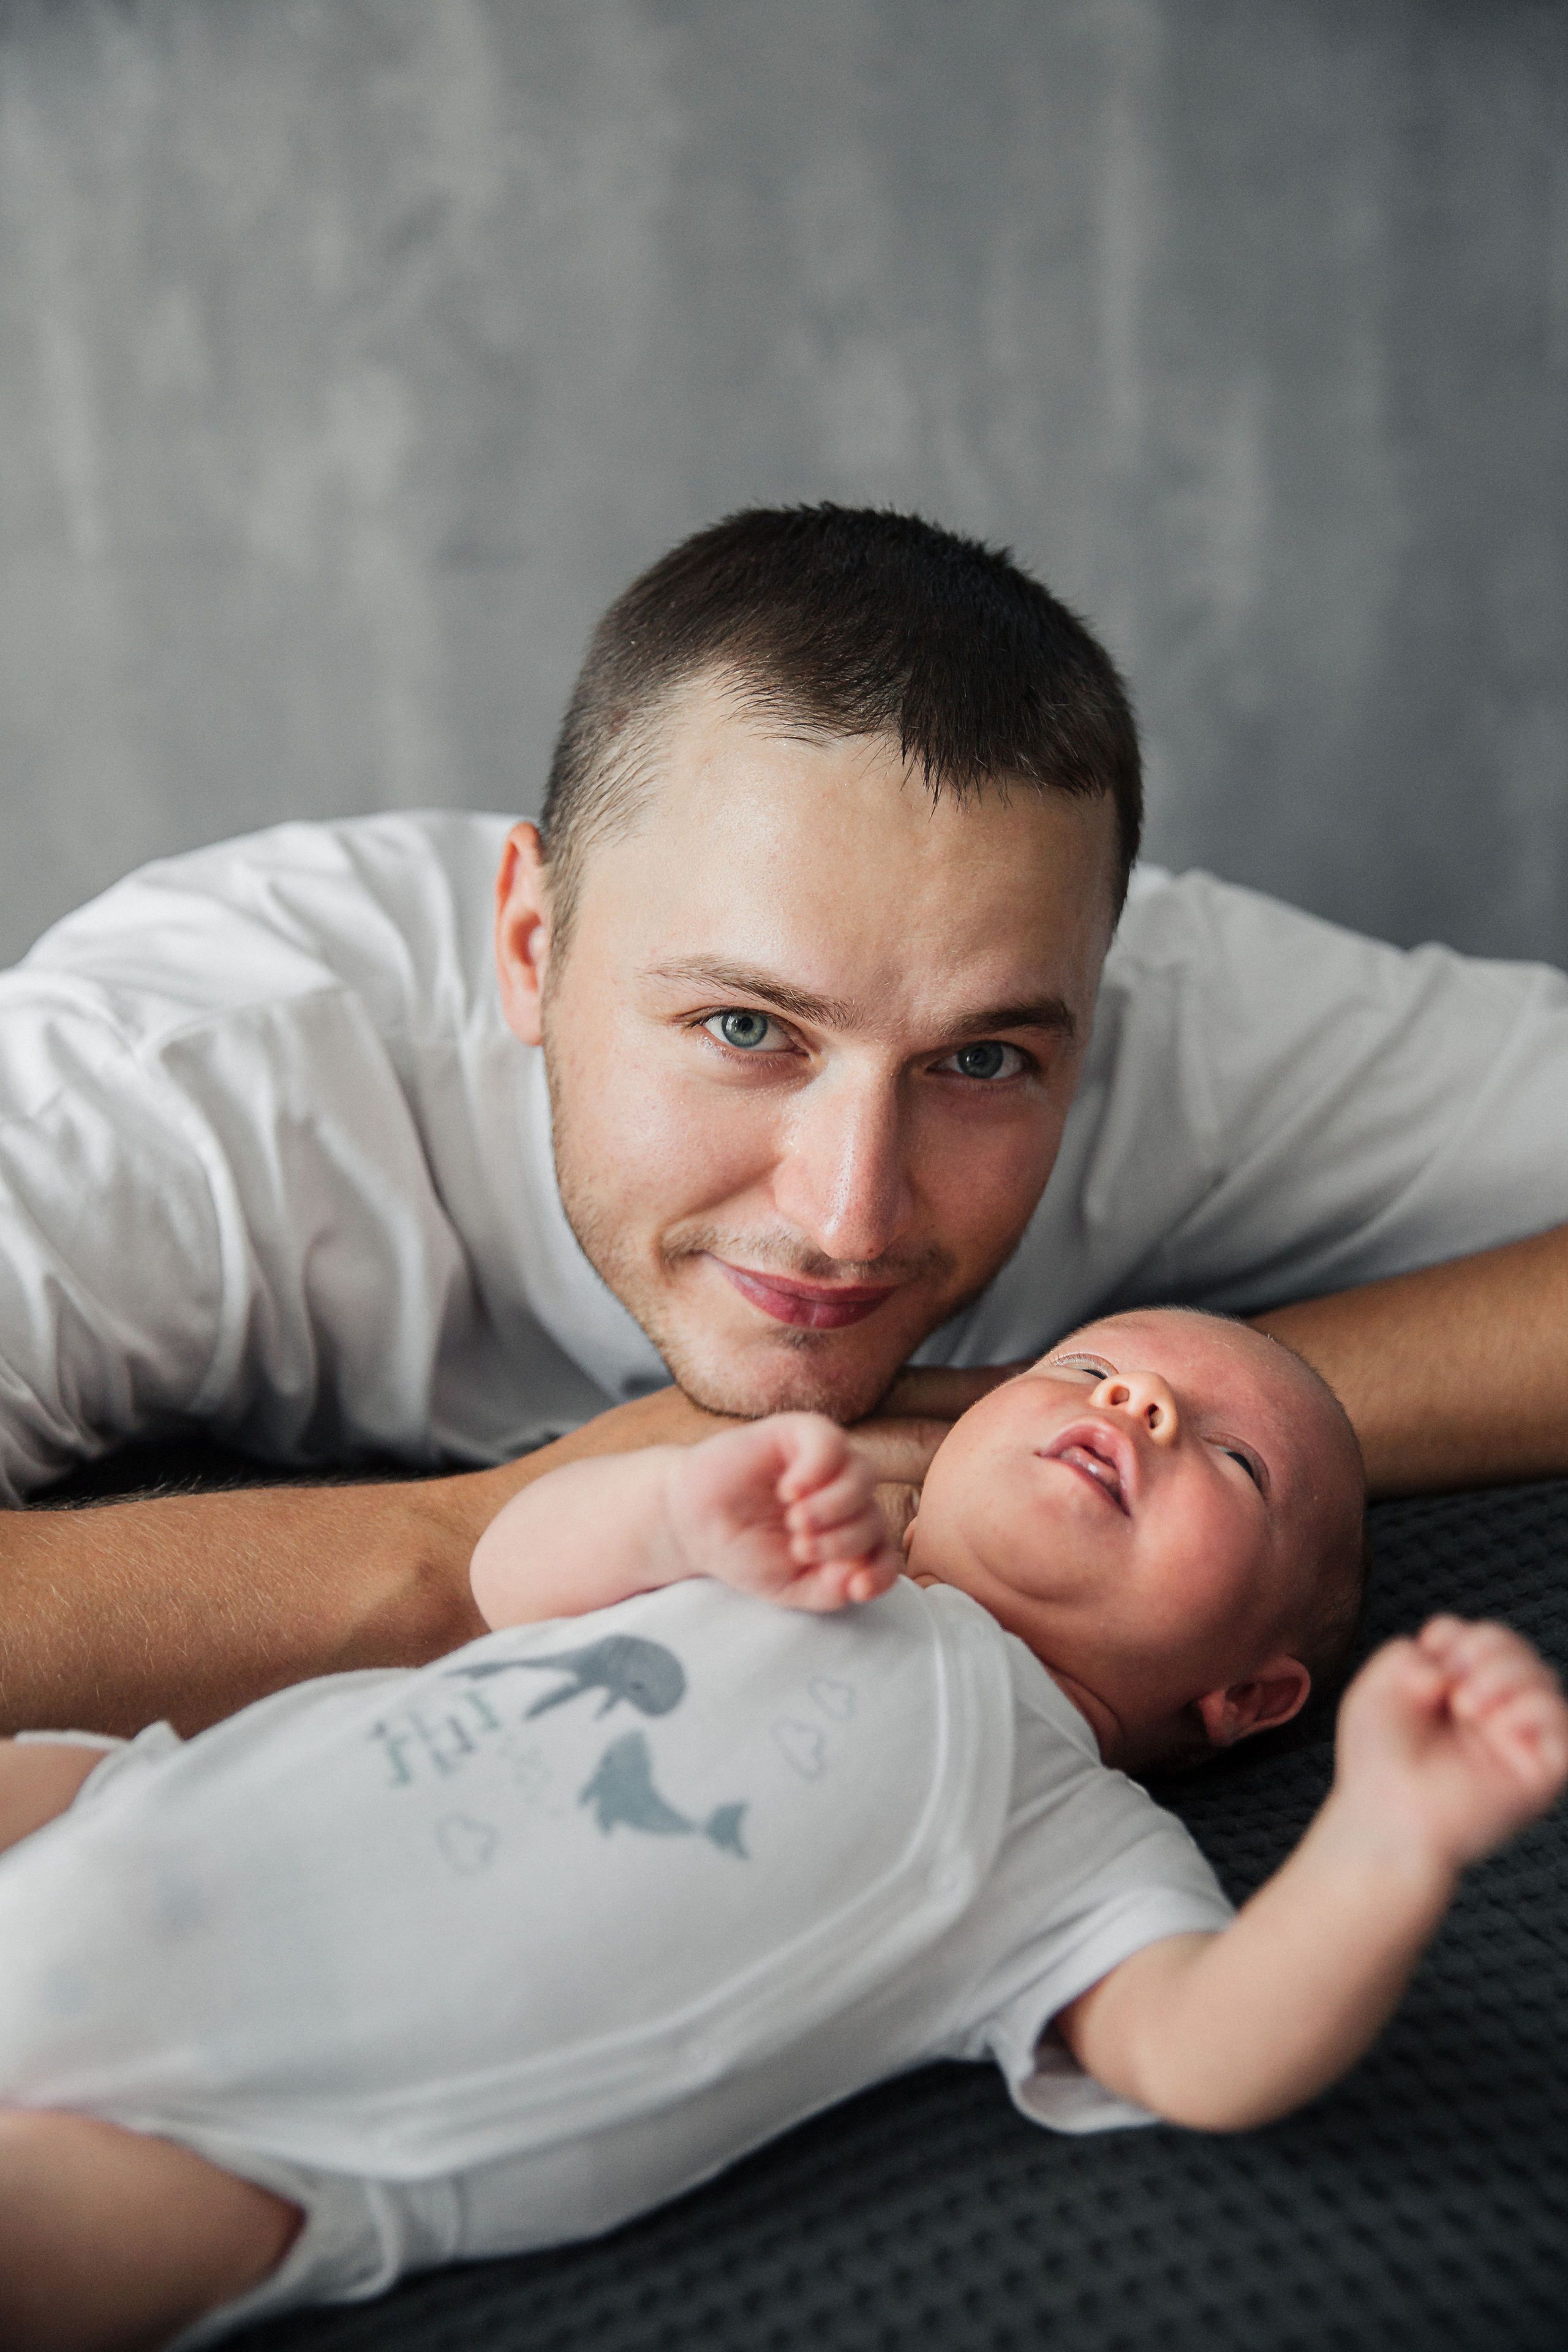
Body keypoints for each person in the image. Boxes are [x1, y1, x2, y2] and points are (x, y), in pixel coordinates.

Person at [2, 507, 1567, 1740]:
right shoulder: (169, 1075)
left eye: (976, 1065)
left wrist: (1199, 1427)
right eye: (746, 1030)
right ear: (532, 946)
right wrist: (489, 1540)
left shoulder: (1164, 1009)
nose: (847, 1215)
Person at [0, 1307, 1563, 2352]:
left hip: (294, 2142)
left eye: (1232, 1457)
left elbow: (1201, 2048)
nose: (1134, 1403)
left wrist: (1384, 1842)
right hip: (127, 1809)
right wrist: (675, 1512)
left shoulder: (1064, 1836)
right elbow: (505, 1581)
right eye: (1087, 1367)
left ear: (1248, 1698)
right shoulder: (777, 1540)